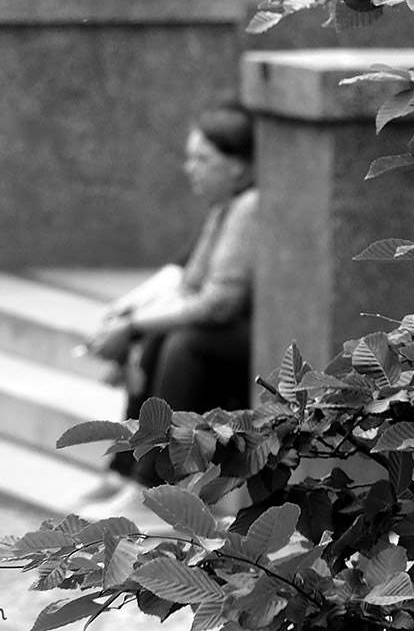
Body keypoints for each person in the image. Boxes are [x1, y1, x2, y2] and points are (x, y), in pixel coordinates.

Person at [79, 101, 258, 516]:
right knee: (160, 334)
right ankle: (127, 473)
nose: (189, 169)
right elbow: (190, 282)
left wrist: (134, 326)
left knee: (184, 344)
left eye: (202, 159)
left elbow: (219, 303)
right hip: (235, 334)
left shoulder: (250, 207)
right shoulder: (227, 206)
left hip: (260, 343)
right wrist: (134, 321)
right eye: (189, 158)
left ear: (238, 166)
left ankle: (154, 487)